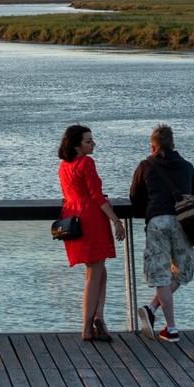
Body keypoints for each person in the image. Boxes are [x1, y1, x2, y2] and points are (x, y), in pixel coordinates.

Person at [130, 124, 194, 343]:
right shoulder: (187, 167)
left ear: (153, 147)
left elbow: (135, 197)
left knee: (160, 273)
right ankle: (161, 320)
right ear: (173, 144)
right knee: (182, 270)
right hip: (182, 222)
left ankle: (161, 318)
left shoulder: (145, 165)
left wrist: (150, 210)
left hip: (157, 221)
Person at [58, 124, 126, 341]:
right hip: (91, 220)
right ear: (77, 146)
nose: (93, 143)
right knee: (94, 274)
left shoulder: (64, 166)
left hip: (73, 218)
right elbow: (96, 196)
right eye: (88, 141)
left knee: (98, 271)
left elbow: (70, 194)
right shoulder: (86, 163)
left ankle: (99, 318)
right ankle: (87, 327)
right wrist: (116, 220)